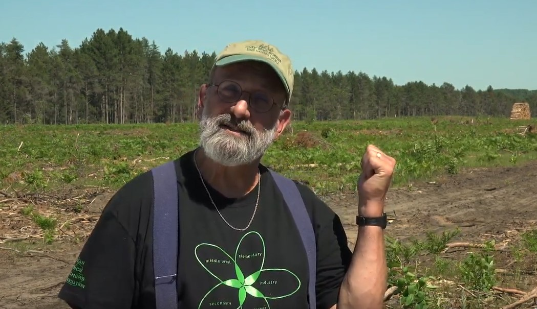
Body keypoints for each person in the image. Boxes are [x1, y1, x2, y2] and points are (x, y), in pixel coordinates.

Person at [57, 40, 396, 309]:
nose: (240, 109)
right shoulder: (140, 205)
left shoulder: (307, 213)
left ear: (281, 124)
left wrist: (371, 208)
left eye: (261, 99)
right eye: (230, 90)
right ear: (204, 97)